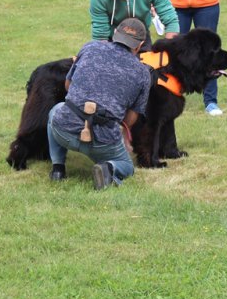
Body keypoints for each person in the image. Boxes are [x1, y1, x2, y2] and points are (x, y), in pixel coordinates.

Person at [47, 18, 153, 190]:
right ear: (139, 45)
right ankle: (108, 167)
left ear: (115, 34)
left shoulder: (90, 47)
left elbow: (68, 86)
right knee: (127, 166)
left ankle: (58, 169)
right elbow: (130, 119)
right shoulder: (143, 73)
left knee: (56, 110)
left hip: (64, 130)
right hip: (102, 142)